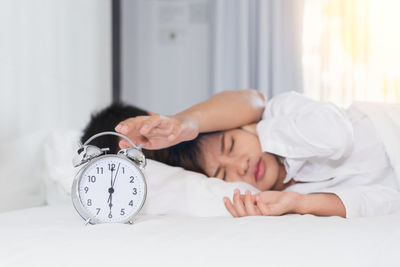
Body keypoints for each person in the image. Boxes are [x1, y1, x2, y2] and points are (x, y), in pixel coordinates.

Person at [84, 90, 400, 218]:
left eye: (231, 147)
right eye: (223, 174)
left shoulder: (279, 114)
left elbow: (335, 135)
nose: (242, 164)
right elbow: (388, 201)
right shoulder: (283, 196)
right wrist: (303, 204)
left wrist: (252, 130)